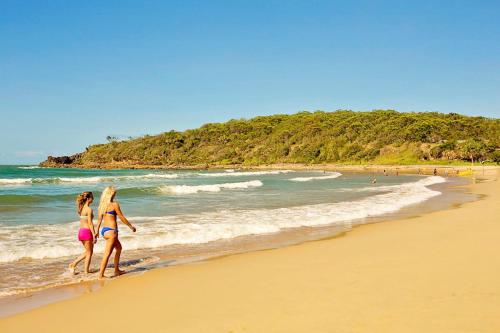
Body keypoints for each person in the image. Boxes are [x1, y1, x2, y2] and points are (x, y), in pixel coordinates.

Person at [96, 186, 136, 279]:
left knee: (119, 248)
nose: (115, 195)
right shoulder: (114, 204)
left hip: (105, 231)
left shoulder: (102, 206)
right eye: (114, 193)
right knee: (107, 254)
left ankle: (117, 270)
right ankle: (101, 275)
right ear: (111, 194)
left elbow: (99, 220)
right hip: (112, 232)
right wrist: (130, 226)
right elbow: (121, 217)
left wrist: (97, 231)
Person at [69, 191, 96, 274]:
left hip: (81, 232)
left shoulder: (80, 209)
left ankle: (76, 266)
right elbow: (90, 223)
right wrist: (94, 235)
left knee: (88, 251)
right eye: (92, 197)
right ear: (88, 199)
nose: (93, 199)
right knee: (89, 252)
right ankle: (78, 267)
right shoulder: (89, 209)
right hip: (87, 232)